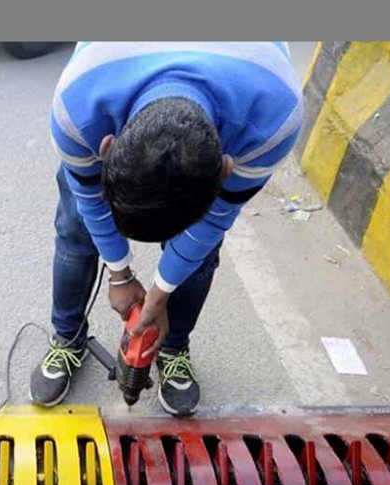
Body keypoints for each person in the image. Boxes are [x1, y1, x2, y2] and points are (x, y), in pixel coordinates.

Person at [30, 42, 303, 416]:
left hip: (245, 80)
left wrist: (160, 294)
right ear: (106, 148)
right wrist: (119, 274)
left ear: (226, 167)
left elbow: (212, 223)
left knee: (200, 254)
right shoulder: (77, 108)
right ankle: (68, 336)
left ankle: (173, 346)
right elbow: (91, 201)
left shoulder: (273, 120)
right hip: (109, 78)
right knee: (78, 227)